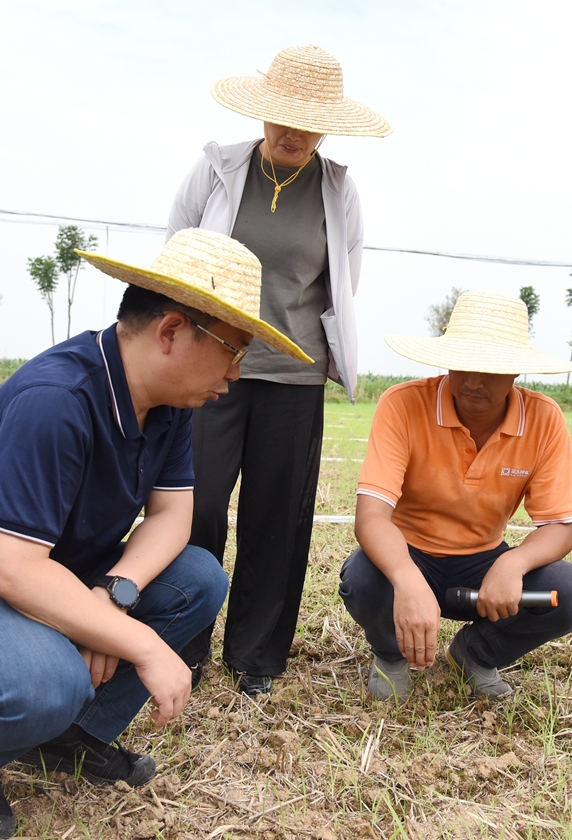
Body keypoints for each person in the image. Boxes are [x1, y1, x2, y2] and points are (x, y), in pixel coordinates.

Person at [0, 229, 311, 840]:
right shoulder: (56, 401)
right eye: (233, 351)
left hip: (51, 576)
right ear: (170, 332)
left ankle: (63, 736)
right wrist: (143, 643)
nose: (236, 375)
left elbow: (171, 518)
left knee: (198, 579)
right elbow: (14, 571)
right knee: (47, 679)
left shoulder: (169, 405)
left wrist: (115, 596)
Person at [166, 45, 391, 696]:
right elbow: (178, 249)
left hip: (292, 373)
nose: (293, 132)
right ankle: (183, 644)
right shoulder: (215, 172)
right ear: (261, 113)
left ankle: (257, 659)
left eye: (309, 121)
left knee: (276, 517)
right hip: (212, 367)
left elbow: (342, 276)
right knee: (196, 503)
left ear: (329, 125)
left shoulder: (338, 192)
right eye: (282, 117)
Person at [339, 290, 572, 701]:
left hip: (483, 567)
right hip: (409, 553)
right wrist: (406, 579)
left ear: (517, 372)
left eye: (490, 370)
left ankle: (475, 655)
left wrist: (514, 563)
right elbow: (371, 516)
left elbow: (559, 527)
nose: (473, 382)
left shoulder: (544, 420)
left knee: (571, 592)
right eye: (463, 364)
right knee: (362, 578)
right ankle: (391, 655)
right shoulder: (403, 405)